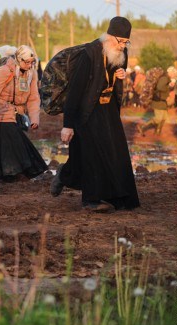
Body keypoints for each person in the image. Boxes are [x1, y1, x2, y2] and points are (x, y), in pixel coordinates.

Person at [51, 16, 140, 213]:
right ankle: (91, 200)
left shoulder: (119, 51)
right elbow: (75, 91)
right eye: (121, 41)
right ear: (110, 37)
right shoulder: (90, 54)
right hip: (87, 111)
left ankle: (118, 197)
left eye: (126, 42)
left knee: (115, 151)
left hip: (108, 109)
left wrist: (122, 73)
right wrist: (68, 124)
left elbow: (118, 69)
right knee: (92, 154)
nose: (123, 46)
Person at [0, 45, 47, 182]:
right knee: (11, 141)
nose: (29, 65)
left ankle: (12, 173)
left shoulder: (31, 74)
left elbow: (34, 98)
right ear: (18, 59)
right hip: (1, 113)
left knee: (14, 143)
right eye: (26, 62)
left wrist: (35, 119)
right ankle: (11, 173)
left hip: (17, 114)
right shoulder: (4, 72)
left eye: (31, 63)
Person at [138, 66, 177, 136]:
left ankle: (157, 132)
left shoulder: (166, 78)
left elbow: (164, 88)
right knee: (158, 118)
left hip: (162, 101)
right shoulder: (165, 78)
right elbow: (160, 87)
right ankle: (143, 127)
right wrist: (168, 88)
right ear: (171, 72)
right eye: (174, 73)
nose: (175, 75)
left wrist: (170, 87)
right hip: (158, 100)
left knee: (164, 118)